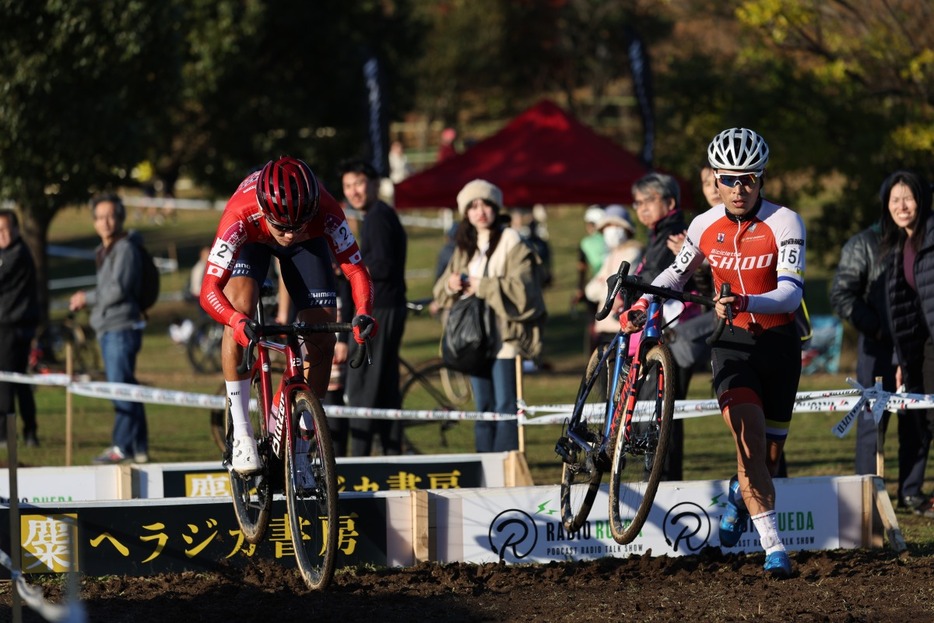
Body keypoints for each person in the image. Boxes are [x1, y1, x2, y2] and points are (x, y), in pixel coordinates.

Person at [620, 128, 804, 578]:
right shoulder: (703, 225)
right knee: (750, 439)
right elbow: (676, 276)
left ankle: (740, 494)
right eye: (730, 179)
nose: (739, 189)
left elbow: (789, 295)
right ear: (716, 180)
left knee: (768, 456)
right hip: (732, 346)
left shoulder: (785, 222)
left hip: (779, 344)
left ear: (761, 180)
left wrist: (746, 300)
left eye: (749, 180)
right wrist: (646, 301)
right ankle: (774, 547)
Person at [199, 157, 375, 475]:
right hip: (253, 240)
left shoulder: (327, 212)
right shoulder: (240, 215)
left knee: (323, 335)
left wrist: (363, 313)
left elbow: (356, 270)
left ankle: (303, 442)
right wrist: (237, 322)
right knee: (239, 306)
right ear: (266, 212)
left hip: (312, 242)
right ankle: (241, 433)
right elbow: (209, 289)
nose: (290, 234)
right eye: (283, 227)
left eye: (297, 226)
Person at [432, 180, 546, 452]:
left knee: (506, 407)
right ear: (465, 213)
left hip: (505, 338)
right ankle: (484, 468)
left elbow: (525, 291)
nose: (479, 211)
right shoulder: (464, 247)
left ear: (496, 207)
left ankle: (506, 471)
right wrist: (452, 284)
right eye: (472, 206)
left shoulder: (512, 240)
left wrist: (481, 285)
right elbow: (439, 291)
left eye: (484, 204)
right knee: (482, 409)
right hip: (475, 340)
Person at [630, 172, 701, 482]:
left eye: (649, 201)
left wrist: (631, 292)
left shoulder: (675, 232)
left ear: (670, 202)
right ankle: (659, 479)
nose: (642, 208)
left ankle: (662, 483)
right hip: (662, 332)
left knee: (664, 415)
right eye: (637, 203)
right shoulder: (658, 234)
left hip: (673, 332)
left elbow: (659, 279)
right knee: (662, 415)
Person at [69, 193, 151, 464]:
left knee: (119, 388)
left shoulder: (125, 249)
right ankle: (139, 447)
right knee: (127, 385)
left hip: (121, 327)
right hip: (109, 327)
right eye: (100, 217)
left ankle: (122, 447)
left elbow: (118, 290)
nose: (106, 222)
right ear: (94, 222)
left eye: (111, 215)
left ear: (120, 218)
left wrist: (87, 298)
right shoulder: (105, 250)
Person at [340, 159, 408, 457]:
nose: (354, 191)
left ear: (373, 184)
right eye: (348, 186)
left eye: (359, 183)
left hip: (379, 309)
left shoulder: (379, 217)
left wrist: (347, 269)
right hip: (389, 306)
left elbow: (380, 266)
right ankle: (392, 456)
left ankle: (360, 459)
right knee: (384, 388)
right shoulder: (377, 216)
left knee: (363, 386)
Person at [830, 221, 903, 484]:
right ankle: (868, 490)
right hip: (876, 345)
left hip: (919, 345)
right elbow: (841, 294)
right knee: (873, 424)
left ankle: (912, 492)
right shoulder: (863, 243)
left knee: (920, 421)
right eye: (896, 198)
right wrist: (878, 328)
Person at [879, 170, 934, 516]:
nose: (902, 206)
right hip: (920, 349)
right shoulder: (899, 245)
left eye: (908, 198)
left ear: (922, 200)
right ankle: (911, 492)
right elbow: (905, 312)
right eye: (895, 199)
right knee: (920, 420)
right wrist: (901, 358)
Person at [0, 209, 40, 448]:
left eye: (5, 229)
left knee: (6, 380)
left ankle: (5, 434)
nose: (2, 234)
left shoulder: (17, 254)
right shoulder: (7, 253)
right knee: (18, 380)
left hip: (12, 327)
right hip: (10, 324)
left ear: (16, 229)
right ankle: (30, 432)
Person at [584, 205, 644, 345]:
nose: (611, 230)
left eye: (616, 225)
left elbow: (615, 284)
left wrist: (603, 284)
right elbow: (590, 290)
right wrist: (604, 285)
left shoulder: (633, 252)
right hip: (605, 324)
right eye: (608, 226)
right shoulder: (611, 255)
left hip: (620, 322)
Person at [573, 205, 608, 350]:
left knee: (593, 325)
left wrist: (579, 289)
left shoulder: (586, 243)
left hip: (595, 287)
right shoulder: (611, 238)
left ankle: (594, 357)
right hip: (614, 287)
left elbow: (582, 268)